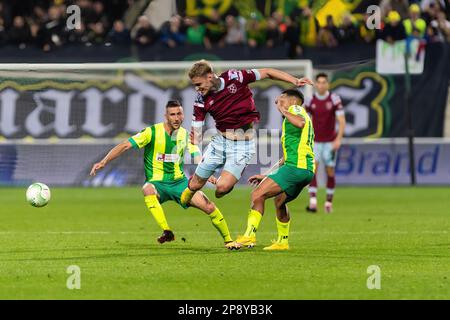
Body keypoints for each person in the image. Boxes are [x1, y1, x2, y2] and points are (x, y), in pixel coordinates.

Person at [90, 100, 233, 247]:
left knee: (208, 206)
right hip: (157, 183)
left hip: (180, 183)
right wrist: (104, 161)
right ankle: (167, 231)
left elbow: (197, 157)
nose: (176, 118)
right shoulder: (151, 132)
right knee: (147, 189)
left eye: (179, 114)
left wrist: (206, 173)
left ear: (183, 115)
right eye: (172, 114)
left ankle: (229, 240)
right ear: (166, 116)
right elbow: (125, 145)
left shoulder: (186, 135)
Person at [179, 60, 313, 207]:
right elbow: (196, 135)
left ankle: (218, 183)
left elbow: (267, 72)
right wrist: (197, 146)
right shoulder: (200, 101)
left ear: (210, 77)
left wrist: (294, 80)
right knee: (195, 184)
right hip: (220, 143)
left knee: (221, 189)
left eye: (199, 84)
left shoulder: (235, 77)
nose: (197, 89)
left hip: (243, 145)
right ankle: (190, 191)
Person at [228, 89, 315, 251]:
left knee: (257, 195)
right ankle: (283, 241)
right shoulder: (293, 123)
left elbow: (300, 122)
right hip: (306, 170)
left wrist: (283, 109)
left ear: (293, 101)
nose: (277, 103)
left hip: (295, 168)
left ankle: (249, 236)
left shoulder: (296, 110)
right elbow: (285, 158)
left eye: (281, 100)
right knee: (280, 201)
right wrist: (267, 175)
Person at [305, 73, 346, 214]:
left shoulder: (334, 100)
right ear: (316, 84)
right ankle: (313, 201)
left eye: (324, 82)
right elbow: (304, 120)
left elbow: (341, 121)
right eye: (319, 82)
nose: (321, 85)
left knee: (330, 171)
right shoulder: (310, 101)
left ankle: (328, 202)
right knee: (312, 170)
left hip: (330, 142)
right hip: (315, 141)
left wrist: (338, 139)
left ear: (327, 84)